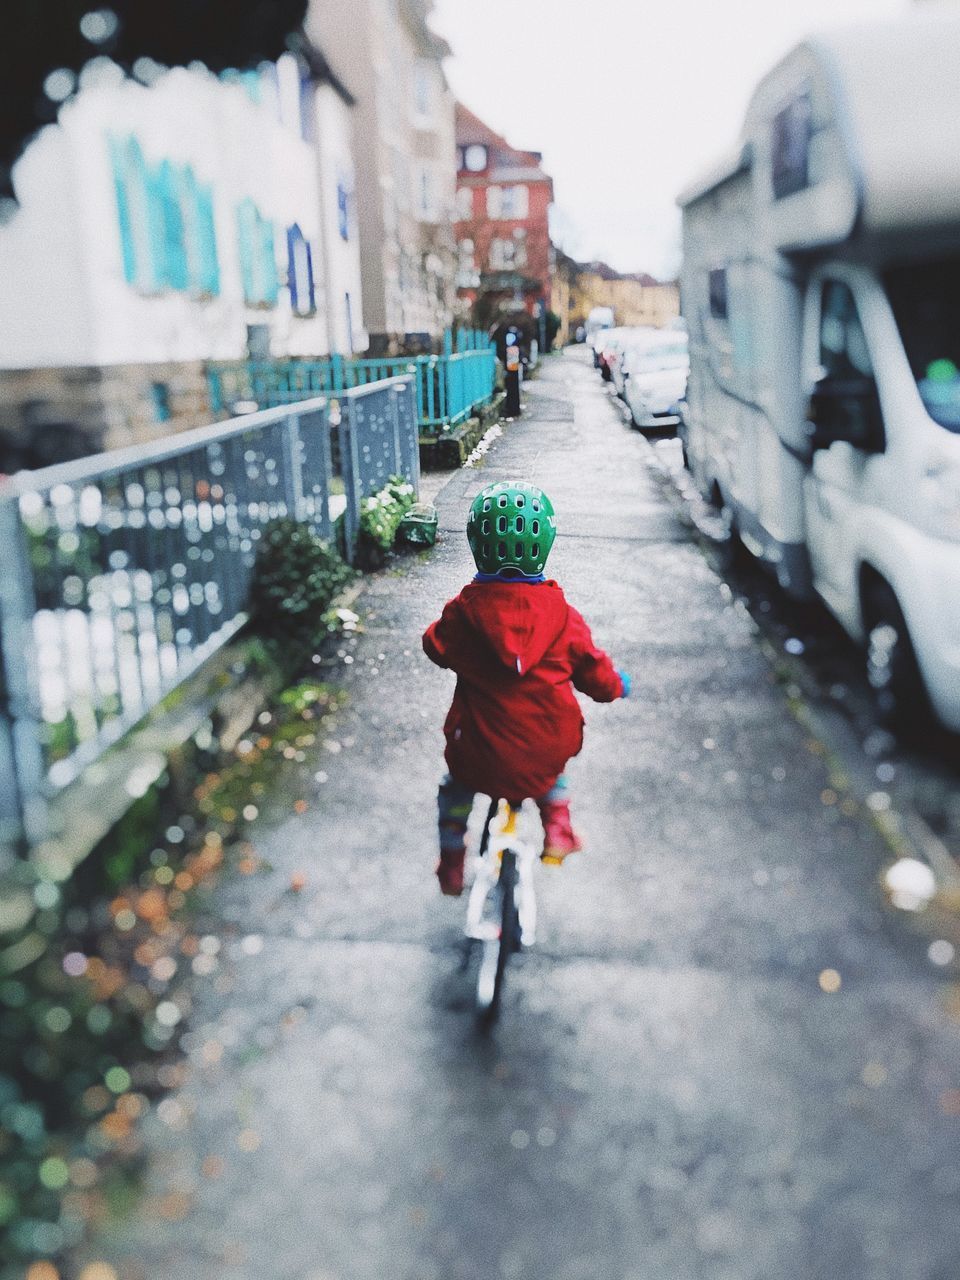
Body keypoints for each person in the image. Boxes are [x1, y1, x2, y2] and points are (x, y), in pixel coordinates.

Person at [422, 480, 630, 896]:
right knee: (548, 767)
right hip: (544, 747)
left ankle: (451, 863)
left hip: (477, 752)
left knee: (455, 789)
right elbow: (596, 675)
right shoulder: (565, 618)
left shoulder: (462, 615)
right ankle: (558, 829)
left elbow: (435, 647)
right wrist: (617, 686)